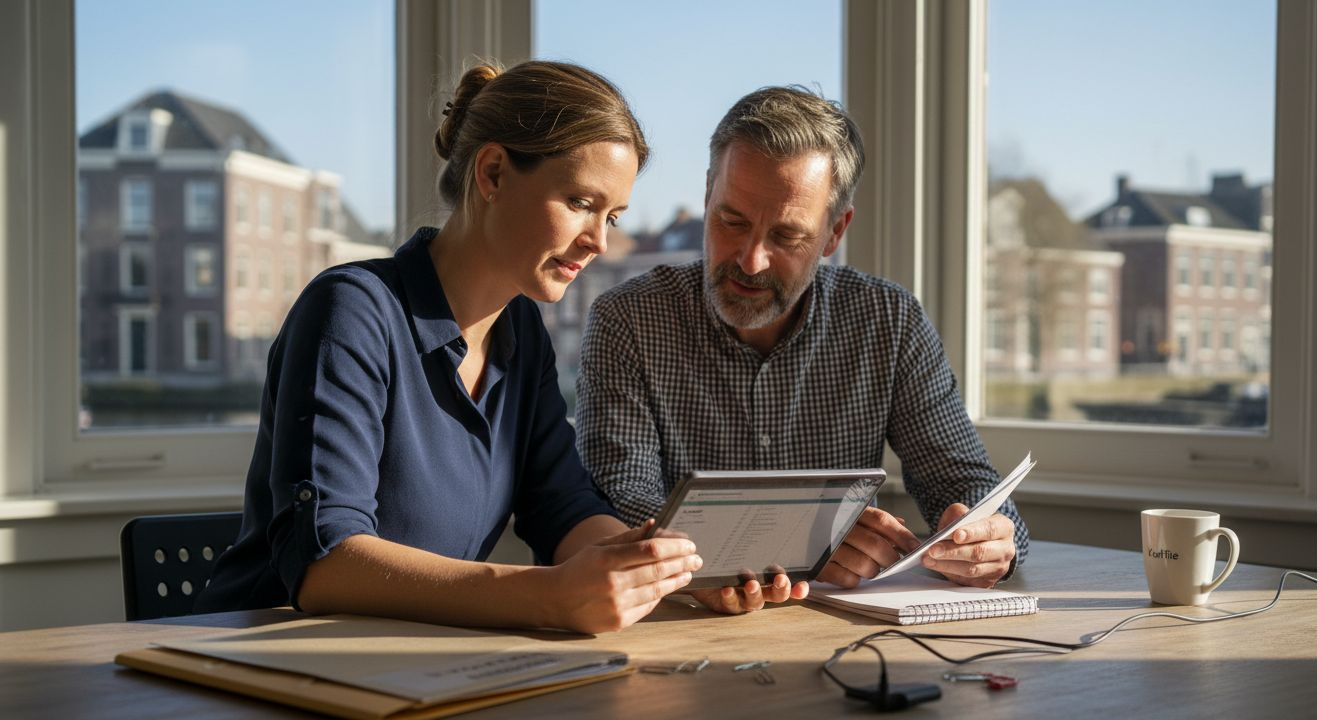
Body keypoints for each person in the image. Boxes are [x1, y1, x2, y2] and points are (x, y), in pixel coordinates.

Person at [197, 60, 736, 634]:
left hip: (417, 667)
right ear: (494, 173)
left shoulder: (523, 331)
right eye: (581, 203)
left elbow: (563, 508)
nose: (599, 241)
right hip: (264, 665)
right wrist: (548, 595)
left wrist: (673, 568)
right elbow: (325, 564)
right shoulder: (350, 311)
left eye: (614, 215)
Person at [576, 86, 1029, 596]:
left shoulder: (889, 320)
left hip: (839, 640)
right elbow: (617, 501)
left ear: (835, 232)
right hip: (675, 627)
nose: (750, 260)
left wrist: (989, 539)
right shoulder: (629, 319)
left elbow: (963, 478)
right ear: (707, 195)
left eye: (787, 237)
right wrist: (793, 545)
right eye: (731, 221)